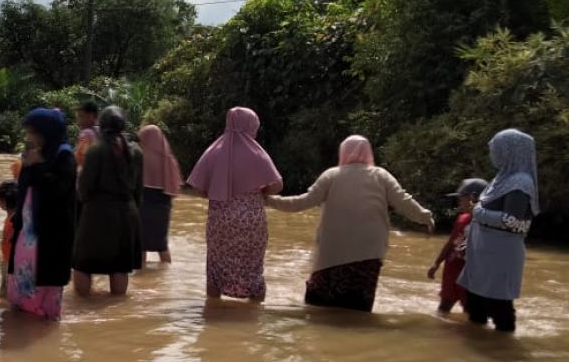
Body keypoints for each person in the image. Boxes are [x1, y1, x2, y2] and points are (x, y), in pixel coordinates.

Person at [266, 135, 434, 312]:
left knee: (317, 307)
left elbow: (301, 202)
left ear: (343, 152)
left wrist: (268, 200)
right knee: (357, 308)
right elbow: (404, 202)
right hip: (368, 253)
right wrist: (425, 217)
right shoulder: (381, 176)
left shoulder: (331, 175)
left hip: (332, 253)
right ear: (368, 152)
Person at [186, 107, 283, 301]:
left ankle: (213, 312)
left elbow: (198, 188)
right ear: (251, 125)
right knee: (253, 268)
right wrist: (259, 191)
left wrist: (217, 193)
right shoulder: (257, 153)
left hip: (219, 220)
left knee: (216, 268)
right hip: (250, 221)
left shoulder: (213, 151)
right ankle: (254, 319)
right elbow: (277, 185)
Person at [458, 129, 539, 333]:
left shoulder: (521, 183)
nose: (493, 154)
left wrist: (477, 211)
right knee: (475, 305)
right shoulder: (501, 178)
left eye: (497, 149)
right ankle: (474, 353)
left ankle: (503, 354)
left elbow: (512, 220)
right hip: (483, 253)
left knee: (499, 306)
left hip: (500, 256)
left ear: (510, 151)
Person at [7, 108, 76, 320]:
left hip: (51, 235)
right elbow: (25, 189)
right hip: (28, 233)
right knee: (21, 298)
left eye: (33, 132)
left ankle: (44, 342)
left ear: (46, 131)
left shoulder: (64, 156)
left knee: (46, 301)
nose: (29, 137)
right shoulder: (37, 152)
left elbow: (58, 192)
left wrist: (38, 166)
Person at [73, 106, 143, 296]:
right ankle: (117, 307)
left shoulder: (96, 151)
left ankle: (82, 307)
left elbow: (84, 189)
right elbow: (138, 189)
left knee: (82, 263)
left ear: (101, 125)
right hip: (127, 212)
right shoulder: (136, 151)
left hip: (97, 213)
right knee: (120, 266)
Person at [428, 178, 489, 314]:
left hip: (470, 274)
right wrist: (436, 263)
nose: (459, 201)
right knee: (443, 308)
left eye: (462, 198)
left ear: (474, 198)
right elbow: (450, 243)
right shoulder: (462, 219)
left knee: (471, 311)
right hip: (452, 270)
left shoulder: (487, 223)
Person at [138, 123, 183, 263]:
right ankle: (166, 277)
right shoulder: (169, 160)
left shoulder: (140, 157)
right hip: (163, 204)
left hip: (143, 202)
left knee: (141, 245)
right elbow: (175, 188)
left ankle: (141, 278)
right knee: (162, 245)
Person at [0, 180, 19, 298]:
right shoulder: (15, 219)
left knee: (5, 293)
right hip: (12, 261)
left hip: (10, 263)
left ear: (3, 202)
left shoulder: (13, 221)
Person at [74, 101, 100, 169]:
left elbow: (82, 161)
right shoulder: (100, 131)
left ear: (91, 116)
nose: (78, 122)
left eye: (81, 117)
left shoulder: (86, 134)